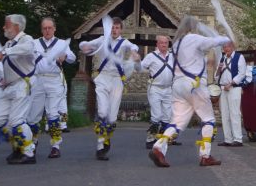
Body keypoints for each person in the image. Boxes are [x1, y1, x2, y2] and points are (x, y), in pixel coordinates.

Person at [148, 15, 230, 168]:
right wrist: (226, 38)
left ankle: (159, 147)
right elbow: (213, 42)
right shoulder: (193, 38)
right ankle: (205, 156)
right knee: (208, 119)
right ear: (193, 28)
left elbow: (190, 60)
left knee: (176, 122)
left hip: (178, 86)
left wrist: (206, 61)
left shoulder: (176, 44)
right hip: (194, 85)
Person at [79, 16, 140, 161]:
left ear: (121, 30)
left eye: (117, 28)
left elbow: (133, 46)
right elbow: (84, 44)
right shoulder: (102, 40)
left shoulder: (124, 42)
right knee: (102, 111)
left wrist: (134, 53)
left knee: (112, 118)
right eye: (112, 27)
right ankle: (100, 146)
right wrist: (85, 47)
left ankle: (106, 139)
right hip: (103, 78)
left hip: (117, 80)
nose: (114, 30)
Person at [0, 14, 38, 164]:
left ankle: (28, 152)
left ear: (17, 27)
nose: (4, 27)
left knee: (17, 120)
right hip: (9, 86)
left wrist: (5, 52)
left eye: (7, 25)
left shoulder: (27, 40)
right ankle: (19, 145)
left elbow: (27, 49)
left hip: (22, 84)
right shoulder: (9, 44)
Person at [27, 17, 75, 159]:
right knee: (33, 115)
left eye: (49, 28)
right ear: (41, 30)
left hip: (54, 80)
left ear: (54, 29)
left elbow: (72, 58)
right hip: (38, 80)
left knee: (53, 113)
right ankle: (33, 143)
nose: (47, 30)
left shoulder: (61, 43)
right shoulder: (34, 43)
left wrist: (64, 56)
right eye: (45, 28)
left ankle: (55, 146)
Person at [139, 34, 175, 149]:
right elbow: (140, 67)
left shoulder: (173, 56)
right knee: (156, 115)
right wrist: (135, 61)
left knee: (167, 116)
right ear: (157, 44)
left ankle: (163, 139)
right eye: (161, 43)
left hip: (168, 89)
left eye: (166, 43)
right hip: (155, 88)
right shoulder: (151, 56)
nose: (164, 45)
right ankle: (150, 139)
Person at [215, 40, 251, 147]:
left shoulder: (239, 57)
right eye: (224, 47)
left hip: (234, 88)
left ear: (232, 47)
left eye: (228, 47)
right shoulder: (222, 58)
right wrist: (219, 69)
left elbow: (242, 73)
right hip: (223, 88)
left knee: (235, 113)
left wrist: (231, 84)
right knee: (225, 114)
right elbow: (216, 76)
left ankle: (238, 139)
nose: (226, 49)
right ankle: (228, 139)